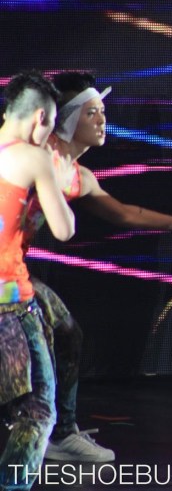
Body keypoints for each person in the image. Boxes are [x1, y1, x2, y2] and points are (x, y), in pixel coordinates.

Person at [23, 71, 172, 464]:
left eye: (103, 111)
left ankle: (62, 433)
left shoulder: (78, 176)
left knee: (68, 335)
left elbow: (124, 214)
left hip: (13, 271)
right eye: (92, 112)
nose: (102, 120)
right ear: (67, 119)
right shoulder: (36, 154)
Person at [0, 71, 75, 491]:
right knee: (37, 411)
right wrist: (55, 180)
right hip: (10, 307)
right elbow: (64, 229)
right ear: (40, 118)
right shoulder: (33, 158)